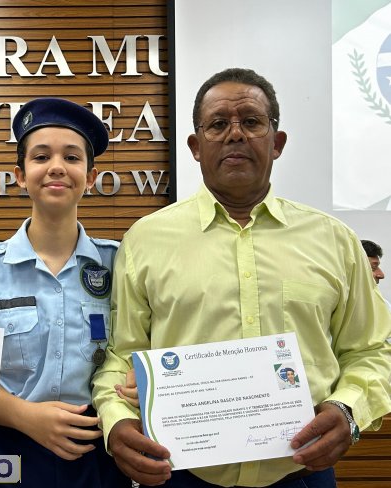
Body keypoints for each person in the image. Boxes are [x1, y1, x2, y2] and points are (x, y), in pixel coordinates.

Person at [92, 68, 391, 488]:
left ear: (277, 142)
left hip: (302, 474)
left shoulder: (334, 240)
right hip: (182, 474)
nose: (235, 134)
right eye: (218, 124)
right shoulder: (145, 240)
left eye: (251, 121)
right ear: (195, 147)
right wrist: (116, 422)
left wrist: (348, 409)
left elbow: (372, 350)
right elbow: (123, 355)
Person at [0, 98, 130, 487]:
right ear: (20, 175)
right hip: (12, 445)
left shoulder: (117, 263)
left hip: (99, 449)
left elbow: (134, 349)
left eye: (72, 157)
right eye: (41, 156)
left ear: (91, 176)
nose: (57, 167)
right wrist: (25, 417)